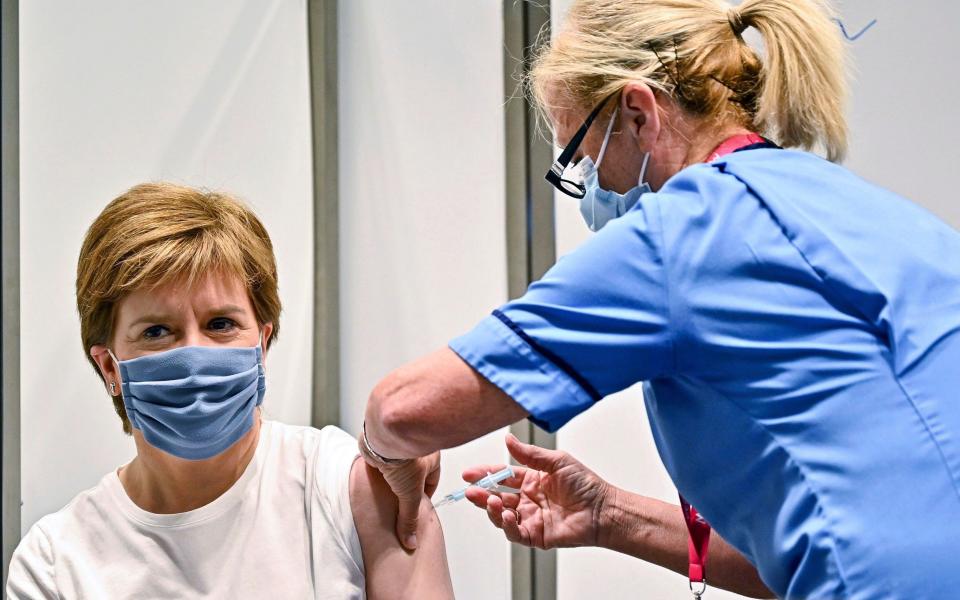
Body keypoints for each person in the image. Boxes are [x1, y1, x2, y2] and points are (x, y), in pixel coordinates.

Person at [359, 0, 960, 598]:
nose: (589, 189)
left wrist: (390, 458)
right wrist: (608, 515)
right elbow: (808, 550)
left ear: (638, 112)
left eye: (580, 158)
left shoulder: (686, 231)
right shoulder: (873, 212)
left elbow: (403, 409)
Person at [6, 183, 454, 599]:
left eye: (221, 324)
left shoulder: (353, 490)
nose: (195, 354)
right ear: (109, 366)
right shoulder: (55, 564)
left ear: (261, 342)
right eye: (157, 331)